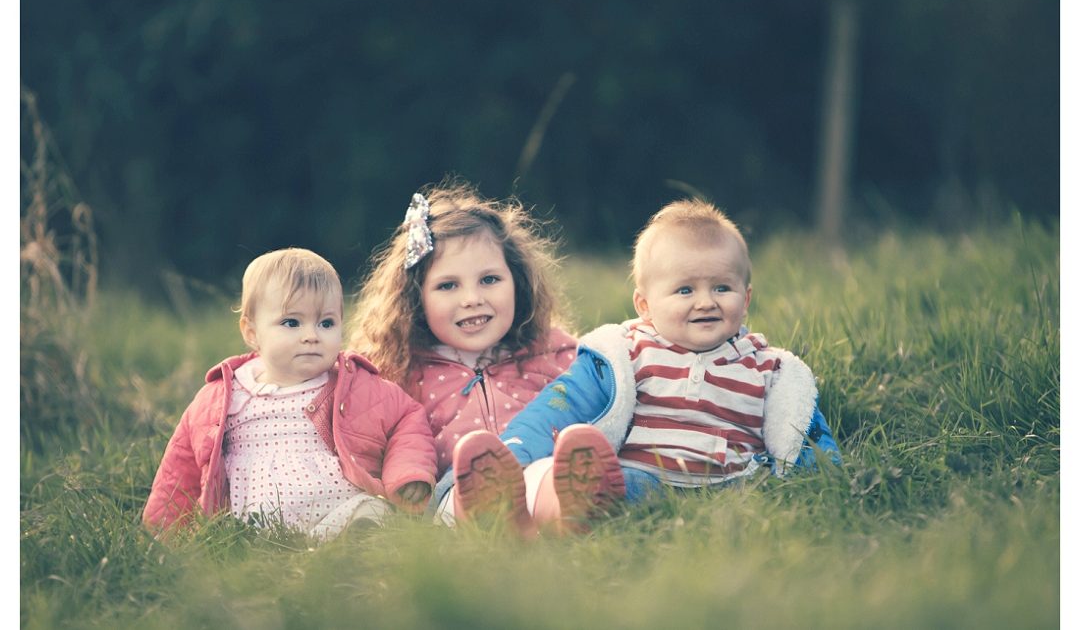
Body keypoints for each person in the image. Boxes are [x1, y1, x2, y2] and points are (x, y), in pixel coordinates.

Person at [453, 198, 840, 534]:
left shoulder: (768, 367)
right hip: (644, 478)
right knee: (607, 482)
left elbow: (802, 428)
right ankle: (549, 507)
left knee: (748, 504)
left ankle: (562, 514)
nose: (706, 302)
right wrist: (517, 453)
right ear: (645, 305)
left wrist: (826, 482)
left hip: (732, 486)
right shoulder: (628, 354)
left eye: (722, 288)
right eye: (685, 290)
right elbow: (563, 402)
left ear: (747, 296)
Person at [143, 248, 437, 539]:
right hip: (256, 526)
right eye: (292, 323)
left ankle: (354, 542)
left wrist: (407, 472)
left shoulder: (352, 384)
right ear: (251, 332)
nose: (311, 335)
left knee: (371, 511)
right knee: (239, 541)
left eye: (326, 323)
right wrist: (164, 531)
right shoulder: (223, 397)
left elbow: (407, 417)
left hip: (338, 511)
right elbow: (180, 465)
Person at [348, 178, 576, 532]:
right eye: (448, 285)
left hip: (534, 470)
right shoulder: (402, 373)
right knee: (465, 491)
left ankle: (567, 514)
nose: (471, 298)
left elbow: (594, 396)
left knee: (547, 476)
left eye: (489, 280)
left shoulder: (551, 353)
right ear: (415, 299)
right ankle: (503, 524)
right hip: (455, 492)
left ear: (517, 280)